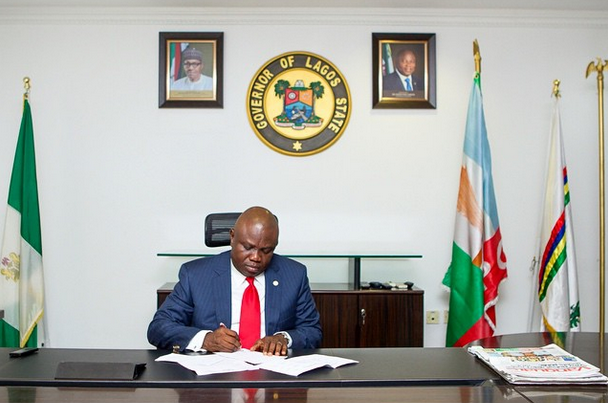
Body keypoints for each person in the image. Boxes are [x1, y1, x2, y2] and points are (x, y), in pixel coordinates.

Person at [147, 206, 322, 356]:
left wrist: (284, 339)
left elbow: (312, 331)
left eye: (266, 250)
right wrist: (206, 339)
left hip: (272, 373)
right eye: (248, 247)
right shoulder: (195, 275)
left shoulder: (294, 275)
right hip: (214, 376)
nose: (256, 257)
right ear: (232, 237)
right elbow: (159, 328)